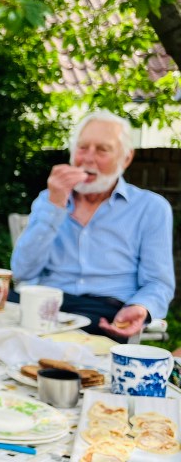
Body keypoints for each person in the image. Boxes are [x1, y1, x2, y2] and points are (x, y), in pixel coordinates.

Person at [11, 109, 174, 341]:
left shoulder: (151, 208)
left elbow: (158, 283)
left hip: (105, 312)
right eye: (82, 147)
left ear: (126, 158)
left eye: (102, 150)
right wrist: (55, 206)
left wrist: (141, 307)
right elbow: (22, 271)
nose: (88, 158)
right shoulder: (49, 200)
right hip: (47, 305)